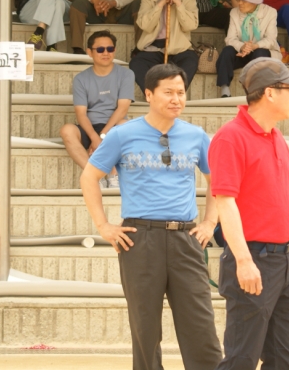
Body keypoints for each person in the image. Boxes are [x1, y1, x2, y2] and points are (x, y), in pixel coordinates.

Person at [81, 63, 222, 370]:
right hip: (139, 239)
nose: (177, 99)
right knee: (144, 326)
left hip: (186, 237)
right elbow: (89, 177)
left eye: (181, 92)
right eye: (168, 92)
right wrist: (103, 226)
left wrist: (210, 223)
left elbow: (218, 184)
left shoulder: (197, 136)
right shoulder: (122, 135)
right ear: (148, 94)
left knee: (200, 324)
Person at [208, 58, 289, 370]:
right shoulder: (231, 136)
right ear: (269, 93)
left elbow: (285, 200)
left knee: (285, 360)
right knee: (242, 358)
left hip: (285, 262)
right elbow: (225, 202)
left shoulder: (277, 137)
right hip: (253, 258)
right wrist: (243, 260)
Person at [59, 30, 135, 181]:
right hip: (89, 128)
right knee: (67, 130)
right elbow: (81, 114)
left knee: (125, 125)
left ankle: (114, 175)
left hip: (113, 126)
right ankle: (94, 176)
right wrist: (94, 138)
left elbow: (122, 109)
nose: (105, 53)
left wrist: (102, 137)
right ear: (89, 52)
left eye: (110, 49)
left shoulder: (126, 74)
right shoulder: (81, 79)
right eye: (100, 49)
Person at [129, 0, 200, 94]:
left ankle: (176, 93)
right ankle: (153, 95)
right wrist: (159, 5)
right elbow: (145, 25)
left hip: (179, 47)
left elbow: (191, 25)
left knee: (191, 61)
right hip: (153, 47)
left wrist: (179, 4)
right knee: (136, 64)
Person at [217, 0, 279, 97]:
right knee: (227, 51)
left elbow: (271, 40)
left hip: (261, 53)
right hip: (242, 53)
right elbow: (230, 39)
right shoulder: (234, 13)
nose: (239, 3)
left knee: (260, 52)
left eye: (243, 0)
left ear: (254, 2)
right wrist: (242, 46)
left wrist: (254, 46)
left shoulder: (270, 12)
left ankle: (256, 91)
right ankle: (225, 90)